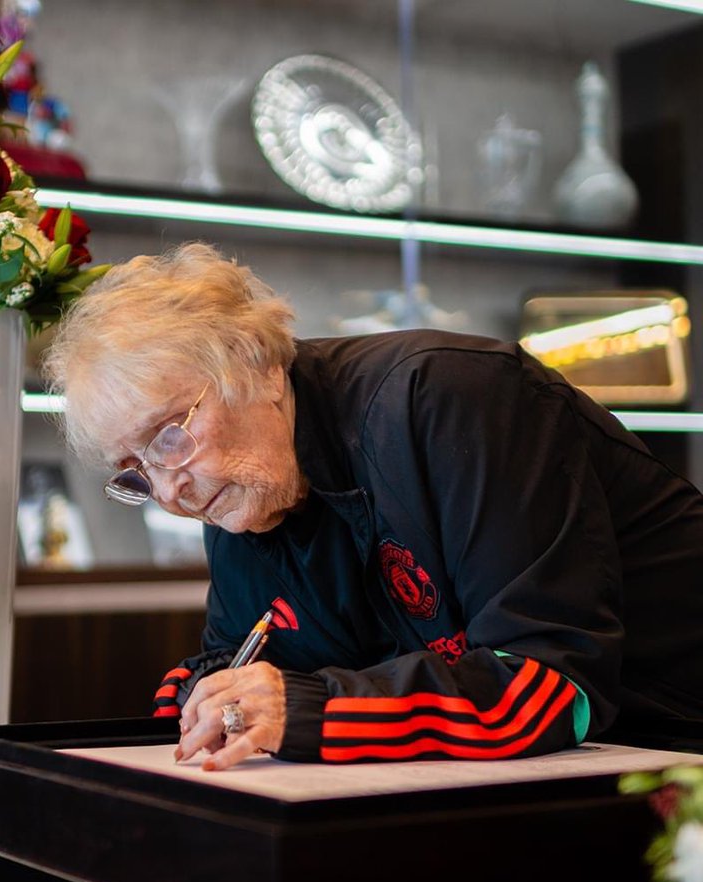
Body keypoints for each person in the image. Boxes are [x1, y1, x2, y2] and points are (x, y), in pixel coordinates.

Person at [46, 242, 703, 770]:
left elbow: (548, 687)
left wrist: (303, 710)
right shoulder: (237, 491)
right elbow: (246, 668)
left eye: (169, 435)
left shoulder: (449, 402)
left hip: (673, 746)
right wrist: (208, 702)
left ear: (260, 368)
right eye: (136, 470)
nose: (167, 493)